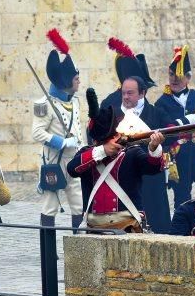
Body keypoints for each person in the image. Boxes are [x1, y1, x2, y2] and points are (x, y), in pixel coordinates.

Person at [67, 88, 165, 233]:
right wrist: (102, 151)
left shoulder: (131, 153)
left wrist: (154, 147)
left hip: (128, 224)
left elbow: (153, 167)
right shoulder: (89, 154)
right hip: (94, 226)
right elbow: (71, 169)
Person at [101, 38, 172, 233]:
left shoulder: (155, 113)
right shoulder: (111, 109)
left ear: (142, 93)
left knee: (158, 225)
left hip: (151, 178)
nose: (125, 97)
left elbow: (172, 132)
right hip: (123, 176)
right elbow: (97, 134)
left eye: (130, 93)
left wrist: (158, 146)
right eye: (124, 93)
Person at [154, 45, 195, 209]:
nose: (174, 79)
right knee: (181, 198)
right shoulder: (161, 102)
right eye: (171, 74)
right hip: (179, 156)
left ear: (188, 77)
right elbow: (166, 127)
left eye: (179, 75)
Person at [32, 29, 84, 230]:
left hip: (74, 160)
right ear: (65, 81)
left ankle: (80, 249)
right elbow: (37, 133)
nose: (78, 80)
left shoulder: (76, 102)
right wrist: (61, 142)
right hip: (54, 160)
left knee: (78, 204)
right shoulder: (44, 104)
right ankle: (48, 253)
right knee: (50, 207)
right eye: (75, 77)